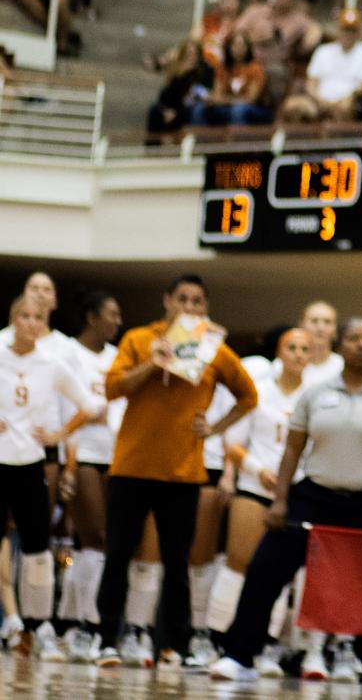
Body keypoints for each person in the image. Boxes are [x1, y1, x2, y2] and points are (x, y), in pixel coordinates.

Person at [207, 318, 362, 682]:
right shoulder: (315, 392)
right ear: (340, 345)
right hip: (313, 495)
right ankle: (240, 656)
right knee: (264, 569)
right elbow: (292, 450)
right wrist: (279, 501)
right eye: (354, 338)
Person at [94, 274, 258, 671]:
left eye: (197, 301)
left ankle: (173, 645)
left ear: (205, 308)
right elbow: (113, 388)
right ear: (167, 302)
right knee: (117, 556)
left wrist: (215, 428)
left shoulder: (212, 348)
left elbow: (249, 395)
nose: (189, 306)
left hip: (183, 472)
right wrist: (154, 362)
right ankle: (107, 640)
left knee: (177, 563)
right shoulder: (138, 338)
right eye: (182, 298)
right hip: (131, 467)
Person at [205, 328, 313, 674]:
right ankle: (214, 638)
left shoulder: (315, 395)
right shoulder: (257, 392)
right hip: (255, 485)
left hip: (294, 492)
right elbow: (232, 444)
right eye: (291, 347)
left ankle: (262, 647)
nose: (297, 354)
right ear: (279, 352)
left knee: (277, 573)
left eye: (304, 349)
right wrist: (257, 468)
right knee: (238, 562)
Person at [0, 295, 99, 652]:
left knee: (37, 546)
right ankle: (10, 621)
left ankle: (37, 623)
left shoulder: (52, 363)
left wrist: (59, 434)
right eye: (23, 315)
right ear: (13, 319)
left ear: (44, 324)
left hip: (30, 462)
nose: (30, 322)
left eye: (37, 317)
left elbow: (90, 404)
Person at [55, 289, 124, 661]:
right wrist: (69, 460)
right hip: (80, 454)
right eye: (111, 313)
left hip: (115, 456)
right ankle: (89, 624)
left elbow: (120, 407)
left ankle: (72, 621)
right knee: (93, 537)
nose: (117, 321)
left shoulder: (118, 357)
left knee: (99, 542)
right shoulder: (68, 353)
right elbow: (68, 407)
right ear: (91, 317)